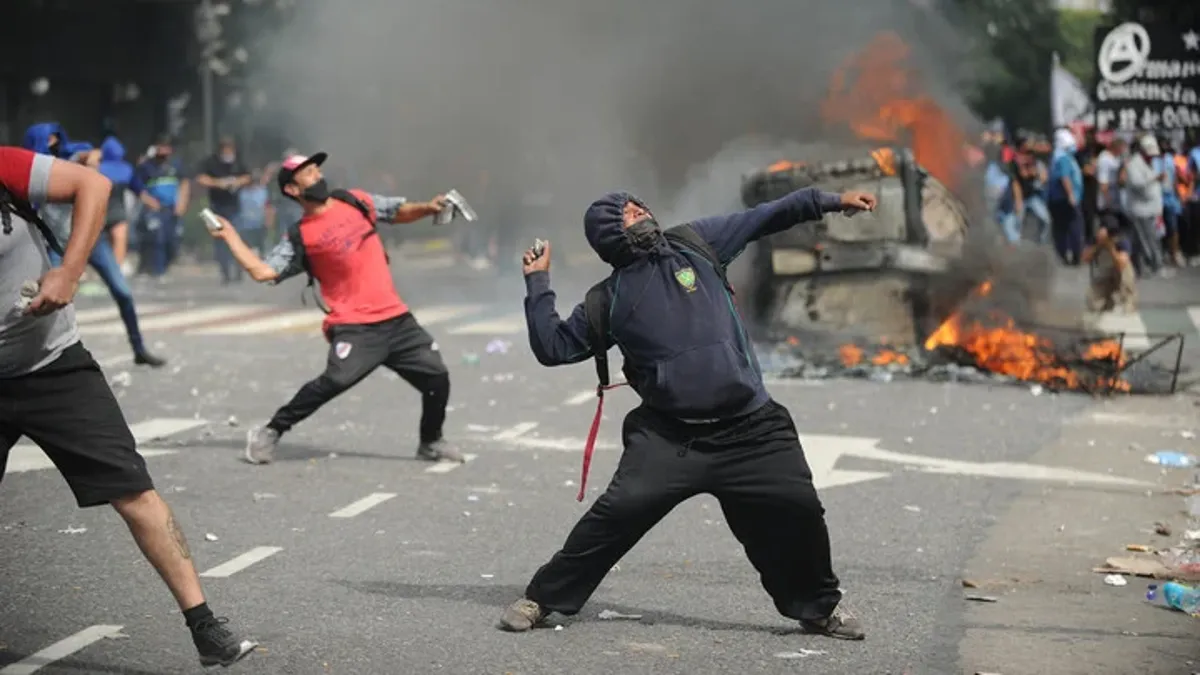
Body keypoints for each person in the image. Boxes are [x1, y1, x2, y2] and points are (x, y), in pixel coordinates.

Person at [499, 186, 877, 640]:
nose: (640, 215)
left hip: (754, 428)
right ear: (607, 238)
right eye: (627, 215)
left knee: (798, 511)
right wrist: (537, 282)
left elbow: (767, 215)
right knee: (614, 516)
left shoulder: (696, 244)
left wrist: (832, 200)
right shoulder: (608, 300)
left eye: (641, 207)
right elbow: (553, 347)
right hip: (671, 439)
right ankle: (542, 599)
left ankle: (819, 609)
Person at [0, 145, 257, 667]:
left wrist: (69, 272)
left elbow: (93, 186)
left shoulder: (5, 166)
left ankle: (205, 626)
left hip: (53, 368)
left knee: (133, 491)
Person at [204, 152, 466, 465]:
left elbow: (396, 211)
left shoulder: (355, 201)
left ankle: (431, 441)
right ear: (292, 189)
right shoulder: (299, 235)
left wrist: (428, 208)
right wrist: (230, 236)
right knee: (335, 381)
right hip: (355, 325)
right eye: (308, 172)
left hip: (396, 319)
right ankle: (271, 430)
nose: (317, 175)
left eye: (317, 169)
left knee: (437, 378)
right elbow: (263, 272)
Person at [21, 125, 166, 367]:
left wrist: (86, 162)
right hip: (58, 247)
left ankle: (138, 348)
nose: (53, 143)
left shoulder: (71, 160)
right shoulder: (32, 174)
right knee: (52, 302)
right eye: (46, 140)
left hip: (91, 240)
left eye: (55, 138)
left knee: (123, 292)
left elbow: (92, 155)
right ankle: (46, 359)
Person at [195, 136, 252, 284]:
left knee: (237, 238)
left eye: (230, 148)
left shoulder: (238, 162)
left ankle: (239, 271)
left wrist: (236, 182)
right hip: (217, 207)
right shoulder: (212, 162)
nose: (227, 151)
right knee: (220, 241)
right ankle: (225, 273)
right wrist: (217, 183)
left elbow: (248, 177)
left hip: (235, 207)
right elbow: (200, 178)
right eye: (225, 148)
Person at [134, 134, 190, 279]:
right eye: (160, 147)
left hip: (172, 209)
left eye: (166, 147)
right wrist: (149, 201)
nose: (163, 150)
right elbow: (137, 187)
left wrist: (182, 203)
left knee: (172, 241)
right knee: (157, 240)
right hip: (154, 209)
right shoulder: (146, 167)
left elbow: (184, 184)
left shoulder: (176, 165)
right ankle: (158, 271)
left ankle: (165, 266)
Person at [1124, 135, 1165, 277]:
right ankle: (1154, 266)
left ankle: (1143, 267)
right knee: (1147, 240)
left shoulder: (1151, 163)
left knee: (1147, 239)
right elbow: (1137, 184)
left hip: (1151, 209)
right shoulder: (1134, 164)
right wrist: (1154, 179)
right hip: (1140, 209)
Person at [1047, 129, 1085, 265]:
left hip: (1059, 199)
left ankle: (1066, 254)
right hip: (1065, 199)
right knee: (1073, 226)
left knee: (1062, 228)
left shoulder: (1058, 156)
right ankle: (1074, 255)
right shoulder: (1062, 158)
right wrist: (1071, 195)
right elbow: (1065, 178)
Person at [1082, 226, 1135, 313]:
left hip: (1120, 276)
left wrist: (1110, 247)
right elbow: (1085, 258)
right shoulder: (1095, 241)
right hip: (1104, 277)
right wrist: (1098, 245)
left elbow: (1120, 264)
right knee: (1091, 301)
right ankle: (1108, 303)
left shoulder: (1121, 241)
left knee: (1126, 271)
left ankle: (1127, 300)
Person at [1155, 137, 1185, 268]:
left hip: (1170, 197)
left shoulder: (1169, 159)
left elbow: (1175, 178)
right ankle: (1161, 253)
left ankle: (1175, 253)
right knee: (1158, 228)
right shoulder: (1152, 159)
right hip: (1156, 197)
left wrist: (1178, 195)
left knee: (1173, 226)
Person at [235, 168, 272, 256]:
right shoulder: (242, 193)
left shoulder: (263, 192)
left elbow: (268, 208)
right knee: (247, 249)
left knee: (261, 249)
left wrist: (268, 222)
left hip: (260, 225)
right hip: (246, 226)